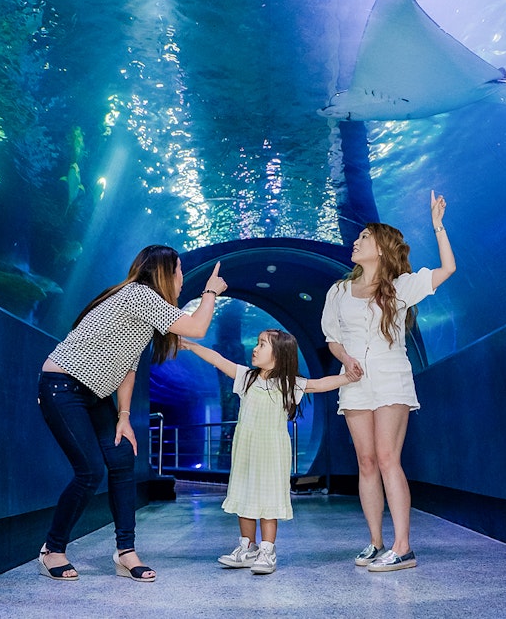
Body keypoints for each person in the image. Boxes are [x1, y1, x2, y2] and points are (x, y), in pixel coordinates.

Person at [37, 245, 227, 582]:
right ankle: (53, 550)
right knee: (90, 471)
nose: (182, 277)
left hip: (93, 394)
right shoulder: (140, 294)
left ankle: (126, 552)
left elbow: (128, 368)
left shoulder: (144, 308)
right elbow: (197, 328)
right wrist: (211, 291)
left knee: (123, 458)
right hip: (62, 386)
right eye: (179, 269)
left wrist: (124, 416)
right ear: (164, 272)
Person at [321, 190, 456, 572]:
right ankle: (376, 542)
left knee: (386, 458)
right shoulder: (338, 291)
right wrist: (345, 359)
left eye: (364, 237)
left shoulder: (400, 287)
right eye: (358, 237)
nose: (356, 241)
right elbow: (332, 337)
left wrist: (438, 226)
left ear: (380, 248)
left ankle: (403, 546)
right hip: (353, 379)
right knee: (365, 462)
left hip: (391, 377)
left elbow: (447, 270)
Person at [180, 329, 358, 575]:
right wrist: (191, 345)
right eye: (257, 343)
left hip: (272, 451)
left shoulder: (289, 383)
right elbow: (218, 360)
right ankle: (247, 547)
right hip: (246, 450)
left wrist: (347, 378)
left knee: (268, 499)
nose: (255, 348)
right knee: (244, 497)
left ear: (279, 354)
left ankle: (267, 549)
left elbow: (318, 385)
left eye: (262, 344)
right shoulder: (247, 377)